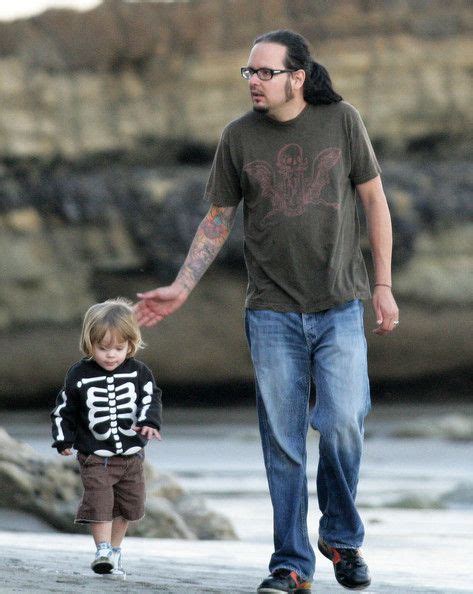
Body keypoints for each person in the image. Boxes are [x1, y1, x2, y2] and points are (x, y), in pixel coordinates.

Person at [135, 29, 399, 593]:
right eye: (248, 72)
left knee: (344, 421)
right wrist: (183, 285)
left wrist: (383, 284)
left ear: (297, 78)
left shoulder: (342, 121)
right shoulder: (237, 137)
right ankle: (291, 565)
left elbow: (374, 199)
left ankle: (341, 537)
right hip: (272, 312)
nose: (253, 81)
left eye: (264, 72)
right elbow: (217, 218)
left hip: (340, 305)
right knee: (282, 441)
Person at [51, 297, 162, 576]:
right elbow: (65, 408)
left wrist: (149, 422)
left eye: (119, 348)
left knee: (128, 506)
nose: (111, 355)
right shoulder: (79, 374)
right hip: (95, 456)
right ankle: (101, 549)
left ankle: (114, 551)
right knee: (99, 503)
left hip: (131, 457)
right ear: (90, 344)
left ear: (131, 344)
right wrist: (64, 438)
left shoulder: (139, 372)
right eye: (103, 348)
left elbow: (151, 398)